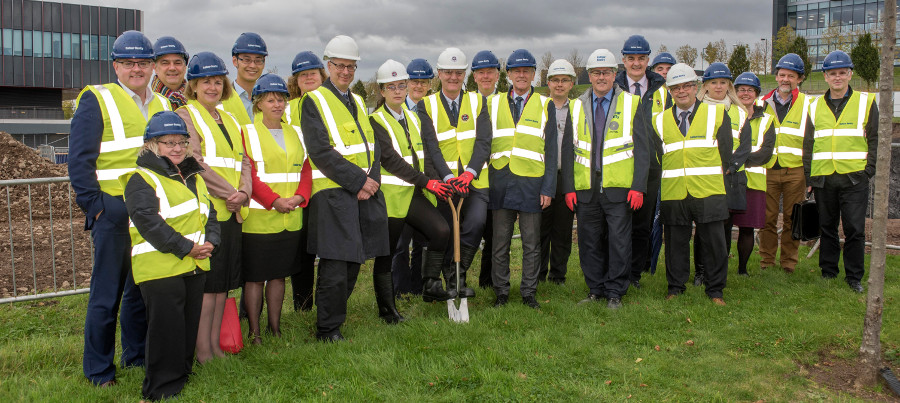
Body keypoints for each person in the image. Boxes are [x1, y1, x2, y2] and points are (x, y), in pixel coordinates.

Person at [69, 30, 171, 388]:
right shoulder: (96, 98)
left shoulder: (162, 104)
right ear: (116, 66)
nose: (136, 69)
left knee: (140, 290)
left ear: (152, 67)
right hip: (113, 211)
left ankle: (135, 356)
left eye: (143, 63)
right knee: (106, 294)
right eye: (128, 63)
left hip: (151, 212)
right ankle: (98, 371)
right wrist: (96, 207)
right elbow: (80, 160)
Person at [121, 111, 218, 401]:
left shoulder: (192, 176)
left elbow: (209, 213)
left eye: (181, 142)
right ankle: (160, 389)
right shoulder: (141, 178)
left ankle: (181, 377)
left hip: (195, 263)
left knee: (187, 326)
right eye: (168, 142)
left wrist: (212, 240)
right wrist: (186, 247)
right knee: (166, 330)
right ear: (152, 145)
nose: (176, 148)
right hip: (160, 267)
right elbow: (148, 222)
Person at [300, 35, 389, 342]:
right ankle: (327, 329)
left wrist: (371, 181)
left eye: (351, 67)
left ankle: (335, 319)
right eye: (340, 65)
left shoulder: (356, 102)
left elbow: (372, 145)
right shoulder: (314, 100)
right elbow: (320, 152)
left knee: (355, 261)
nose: (346, 72)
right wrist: (359, 181)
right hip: (334, 194)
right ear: (329, 65)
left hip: (363, 192)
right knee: (336, 266)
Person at [174, 52, 250, 362]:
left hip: (232, 210)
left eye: (218, 81)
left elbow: (244, 159)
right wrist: (231, 192)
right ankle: (202, 350)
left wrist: (244, 192)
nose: (213, 87)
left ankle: (216, 346)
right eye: (206, 81)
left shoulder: (230, 118)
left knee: (223, 285)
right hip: (208, 212)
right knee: (207, 286)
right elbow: (193, 161)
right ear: (193, 84)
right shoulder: (185, 115)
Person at [370, 59, 455, 322]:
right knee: (387, 254)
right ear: (382, 91)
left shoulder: (414, 117)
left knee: (441, 231)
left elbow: (425, 155)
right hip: (392, 197)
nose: (397, 90)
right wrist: (427, 182)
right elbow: (391, 161)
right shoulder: (375, 120)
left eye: (401, 85)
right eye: (391, 86)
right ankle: (387, 310)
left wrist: (437, 181)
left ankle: (430, 284)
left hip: (415, 194)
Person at [562, 50, 647, 309]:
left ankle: (615, 292)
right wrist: (568, 188)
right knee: (589, 241)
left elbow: (644, 150)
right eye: (597, 73)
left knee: (619, 242)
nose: (601, 77)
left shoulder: (632, 103)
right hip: (586, 188)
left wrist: (638, 187)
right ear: (589, 75)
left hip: (619, 187)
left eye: (607, 72)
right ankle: (595, 289)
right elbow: (568, 150)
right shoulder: (576, 105)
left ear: (615, 74)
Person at [651, 63, 739, 306]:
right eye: (675, 88)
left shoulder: (717, 114)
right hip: (674, 191)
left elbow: (726, 153)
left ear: (696, 87)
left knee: (714, 244)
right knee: (676, 243)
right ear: (669, 91)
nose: (682, 92)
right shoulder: (659, 121)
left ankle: (715, 290)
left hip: (709, 190)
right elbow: (658, 156)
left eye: (687, 86)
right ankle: (675, 287)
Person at [241, 74, 312, 343]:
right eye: (270, 99)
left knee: (279, 276)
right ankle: (254, 332)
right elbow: (249, 175)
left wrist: (300, 197)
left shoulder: (295, 132)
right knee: (256, 278)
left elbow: (305, 169)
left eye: (281, 99)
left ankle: (275, 327)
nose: (277, 104)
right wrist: (274, 201)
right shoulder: (246, 133)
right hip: (260, 219)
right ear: (258, 103)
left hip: (290, 216)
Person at [418, 47, 492, 301]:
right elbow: (431, 146)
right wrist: (449, 178)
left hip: (475, 179)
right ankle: (449, 282)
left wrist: (469, 174)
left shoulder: (477, 101)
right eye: (448, 72)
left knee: (475, 223)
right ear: (439, 74)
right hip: (443, 181)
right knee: (447, 229)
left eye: (458, 73)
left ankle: (457, 272)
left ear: (465, 75)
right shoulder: (426, 105)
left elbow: (484, 141)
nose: (453, 77)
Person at [487, 48, 557, 309]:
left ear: (533, 75)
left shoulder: (545, 104)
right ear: (508, 74)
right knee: (500, 243)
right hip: (501, 181)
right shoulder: (492, 104)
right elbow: (484, 145)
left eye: (527, 71)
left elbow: (551, 151)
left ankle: (529, 292)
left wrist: (548, 187)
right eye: (517, 71)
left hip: (532, 182)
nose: (522, 75)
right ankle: (501, 292)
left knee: (531, 243)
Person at [803, 50, 878, 293]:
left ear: (850, 74)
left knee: (855, 228)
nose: (837, 77)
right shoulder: (814, 106)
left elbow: (876, 139)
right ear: (825, 76)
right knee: (827, 227)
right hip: (824, 177)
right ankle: (828, 271)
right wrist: (810, 177)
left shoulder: (866, 102)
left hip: (855, 176)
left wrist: (869, 170)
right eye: (832, 73)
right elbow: (809, 144)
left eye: (842, 72)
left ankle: (854, 276)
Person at [614, 35, 670, 290]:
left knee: (641, 224)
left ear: (648, 60)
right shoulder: (612, 87)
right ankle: (614, 269)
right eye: (631, 58)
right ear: (623, 60)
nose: (636, 63)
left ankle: (634, 274)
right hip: (617, 164)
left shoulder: (663, 91)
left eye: (641, 58)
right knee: (614, 222)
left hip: (650, 167)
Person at [693, 62, 751, 284]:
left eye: (723, 82)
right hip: (704, 177)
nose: (718, 87)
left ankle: (718, 271)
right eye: (713, 82)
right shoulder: (696, 109)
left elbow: (745, 144)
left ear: (729, 85)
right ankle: (700, 272)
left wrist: (732, 166)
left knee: (723, 228)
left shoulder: (739, 112)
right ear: (705, 85)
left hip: (730, 178)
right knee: (702, 227)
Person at [758, 53, 813, 274]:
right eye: (782, 75)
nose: (785, 79)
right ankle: (767, 262)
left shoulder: (809, 104)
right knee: (767, 219)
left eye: (791, 76)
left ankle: (789, 262)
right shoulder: (760, 103)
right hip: (768, 170)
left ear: (799, 79)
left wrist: (810, 175)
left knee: (793, 219)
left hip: (795, 171)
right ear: (776, 76)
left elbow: (812, 140)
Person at [284, 50, 326, 312]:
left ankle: (327, 299)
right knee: (303, 250)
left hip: (329, 186)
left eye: (313, 72)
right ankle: (303, 304)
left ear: (322, 75)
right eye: (302, 74)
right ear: (295, 80)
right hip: (300, 186)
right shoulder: (288, 109)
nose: (308, 77)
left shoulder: (332, 104)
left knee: (328, 248)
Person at [391, 58, 436, 297]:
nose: (418, 86)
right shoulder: (397, 108)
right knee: (400, 241)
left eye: (423, 81)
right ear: (406, 82)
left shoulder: (432, 108)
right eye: (414, 81)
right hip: (401, 184)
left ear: (430, 83)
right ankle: (399, 287)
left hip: (426, 184)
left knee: (424, 238)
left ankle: (418, 285)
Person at [732, 72, 776, 276]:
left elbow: (766, 152)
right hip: (729, 180)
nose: (745, 93)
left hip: (753, 181)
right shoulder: (727, 115)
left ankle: (742, 269)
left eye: (750, 90)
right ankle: (718, 266)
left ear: (757, 94)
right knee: (722, 226)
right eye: (741, 89)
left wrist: (739, 160)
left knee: (747, 228)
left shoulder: (767, 120)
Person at [538, 59, 577, 285]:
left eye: (564, 80)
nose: (559, 85)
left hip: (567, 177)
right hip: (543, 176)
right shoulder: (540, 108)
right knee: (541, 228)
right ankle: (540, 273)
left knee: (563, 229)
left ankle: (558, 275)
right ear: (548, 83)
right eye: (555, 80)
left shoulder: (579, 109)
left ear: (571, 84)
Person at [470, 49, 501, 289]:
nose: (486, 76)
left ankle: (487, 281)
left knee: (494, 233)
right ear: (474, 76)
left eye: (490, 71)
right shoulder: (467, 103)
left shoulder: (504, 102)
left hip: (498, 177)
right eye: (481, 72)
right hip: (471, 178)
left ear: (497, 75)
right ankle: (456, 277)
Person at [647, 51, 676, 275]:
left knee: (663, 221)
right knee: (648, 219)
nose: (665, 73)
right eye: (660, 69)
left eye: (669, 69)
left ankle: (654, 265)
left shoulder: (679, 96)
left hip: (670, 167)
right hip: (650, 166)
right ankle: (646, 264)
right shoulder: (651, 94)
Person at [221, 32, 268, 127]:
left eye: (258, 60)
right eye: (247, 60)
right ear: (235, 61)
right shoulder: (220, 98)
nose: (252, 65)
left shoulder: (271, 100)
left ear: (263, 63)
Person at [151, 36, 189, 110]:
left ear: (185, 67)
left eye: (177, 63)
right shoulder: (145, 101)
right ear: (155, 67)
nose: (172, 68)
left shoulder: (200, 100)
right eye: (165, 63)